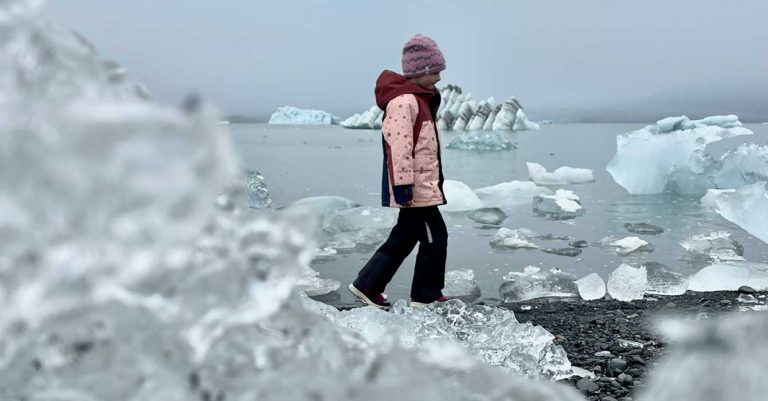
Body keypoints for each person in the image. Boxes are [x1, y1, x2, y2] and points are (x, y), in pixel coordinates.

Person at [348, 34, 449, 309]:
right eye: (435, 72)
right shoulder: (404, 102)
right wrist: (403, 185)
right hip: (415, 188)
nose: (439, 78)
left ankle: (367, 284)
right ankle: (425, 296)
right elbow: (398, 146)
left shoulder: (420, 99)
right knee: (435, 238)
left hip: (422, 186)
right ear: (420, 71)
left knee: (404, 236)